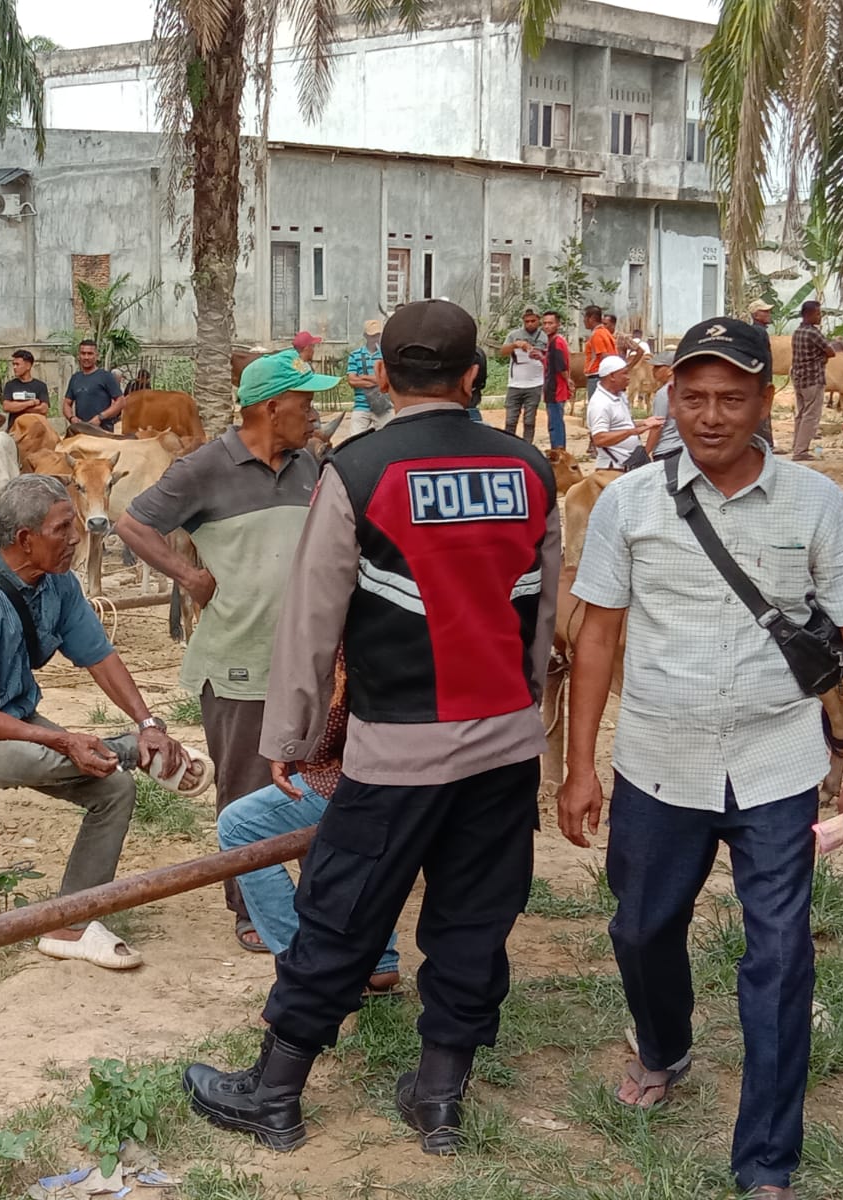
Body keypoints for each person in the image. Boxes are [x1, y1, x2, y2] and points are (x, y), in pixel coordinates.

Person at [182, 299, 561, 1155]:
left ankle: (274, 1093)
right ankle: (439, 1096)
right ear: (476, 377)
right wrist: (523, 709)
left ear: (382, 376)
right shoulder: (530, 469)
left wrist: (291, 738)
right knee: (474, 918)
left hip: (397, 751)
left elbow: (312, 622)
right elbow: (540, 617)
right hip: (504, 743)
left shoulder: (356, 471)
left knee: (341, 912)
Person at [560, 314, 843, 1200]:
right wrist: (580, 764)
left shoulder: (817, 502)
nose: (710, 415)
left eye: (731, 398)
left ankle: (767, 1163)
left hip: (778, 764)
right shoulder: (628, 503)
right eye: (694, 396)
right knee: (639, 928)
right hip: (658, 762)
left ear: (763, 403)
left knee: (780, 957)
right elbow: (596, 639)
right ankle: (664, 1046)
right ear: (670, 399)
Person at [0, 474, 206, 970]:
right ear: (25, 539)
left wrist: (149, 719)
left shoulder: (58, 583)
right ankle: (130, 750)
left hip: (13, 718)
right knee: (47, 754)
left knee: (114, 790)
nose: (77, 538)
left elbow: (100, 656)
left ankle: (69, 921)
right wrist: (65, 739)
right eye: (62, 528)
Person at [116, 351, 334, 953]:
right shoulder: (204, 467)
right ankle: (250, 909)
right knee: (244, 787)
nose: (313, 412)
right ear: (271, 407)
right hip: (239, 653)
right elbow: (133, 525)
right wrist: (186, 576)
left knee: (311, 778)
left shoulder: (308, 465)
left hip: (308, 660)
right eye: (305, 401)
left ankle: (308, 897)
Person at [216, 652, 400, 992]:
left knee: (239, 825)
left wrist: (290, 746)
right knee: (356, 832)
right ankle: (379, 958)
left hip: (365, 773)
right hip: (419, 766)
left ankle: (305, 962)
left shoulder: (340, 616)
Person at [586, 356, 657, 469]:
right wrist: (631, 432)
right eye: (624, 374)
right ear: (612, 376)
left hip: (628, 467)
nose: (628, 378)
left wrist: (644, 423)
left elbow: (620, 425)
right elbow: (599, 439)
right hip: (613, 469)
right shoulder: (600, 403)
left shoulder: (620, 396)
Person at [790, 300, 836, 460]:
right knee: (811, 415)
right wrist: (823, 356)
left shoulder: (798, 332)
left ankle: (796, 445)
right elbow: (831, 351)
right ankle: (801, 451)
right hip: (813, 379)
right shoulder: (813, 333)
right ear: (809, 314)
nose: (820, 316)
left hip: (799, 379)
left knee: (801, 413)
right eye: (818, 313)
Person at [501, 308, 547, 443]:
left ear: (538, 320)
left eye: (533, 321)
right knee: (510, 420)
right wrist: (515, 344)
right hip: (515, 384)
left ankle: (527, 446)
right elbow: (502, 351)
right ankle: (509, 446)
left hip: (535, 384)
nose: (530, 324)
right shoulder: (514, 335)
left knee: (529, 420)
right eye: (527, 321)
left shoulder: (544, 336)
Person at [63, 339, 125, 431]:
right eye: (83, 353)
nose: (86, 357)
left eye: (90, 353)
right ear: (79, 356)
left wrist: (100, 417)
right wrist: (71, 418)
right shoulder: (75, 378)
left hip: (102, 432)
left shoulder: (106, 376)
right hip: (81, 432)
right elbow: (66, 403)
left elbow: (121, 401)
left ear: (96, 356)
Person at [345, 319, 386, 437]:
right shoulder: (355, 355)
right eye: (372, 335)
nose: (375, 339)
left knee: (387, 439)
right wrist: (376, 380)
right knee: (354, 440)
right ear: (365, 336)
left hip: (382, 406)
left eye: (377, 335)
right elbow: (352, 381)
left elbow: (386, 380)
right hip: (361, 405)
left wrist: (363, 378)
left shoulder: (385, 355)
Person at [747, 301, 779, 450]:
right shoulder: (759, 332)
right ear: (756, 315)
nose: (768, 314)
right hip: (762, 379)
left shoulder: (755, 331)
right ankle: (765, 445)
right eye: (764, 311)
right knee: (762, 410)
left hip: (759, 378)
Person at [641, 353, 681, 460]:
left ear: (670, 370)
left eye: (658, 367)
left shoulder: (663, 393)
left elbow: (657, 426)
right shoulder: (685, 390)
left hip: (666, 449)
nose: (653, 371)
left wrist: (645, 453)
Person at [541, 311, 571, 450]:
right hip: (552, 389)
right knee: (554, 423)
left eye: (550, 323)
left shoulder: (557, 342)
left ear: (558, 325)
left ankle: (559, 453)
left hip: (556, 390)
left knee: (556, 424)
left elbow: (560, 366)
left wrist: (568, 381)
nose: (547, 326)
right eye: (545, 323)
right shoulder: (552, 342)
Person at [2, 350, 50, 421]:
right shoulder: (10, 385)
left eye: (17, 364)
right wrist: (31, 403)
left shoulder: (41, 386)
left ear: (28, 366)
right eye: (13, 364)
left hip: (34, 427)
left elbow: (43, 409)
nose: (14, 367)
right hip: (15, 428)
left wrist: (17, 407)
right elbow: (6, 407)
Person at [584, 306, 616, 395]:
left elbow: (604, 356)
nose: (584, 321)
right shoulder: (605, 332)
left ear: (592, 318)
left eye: (585, 317)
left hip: (597, 376)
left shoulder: (597, 334)